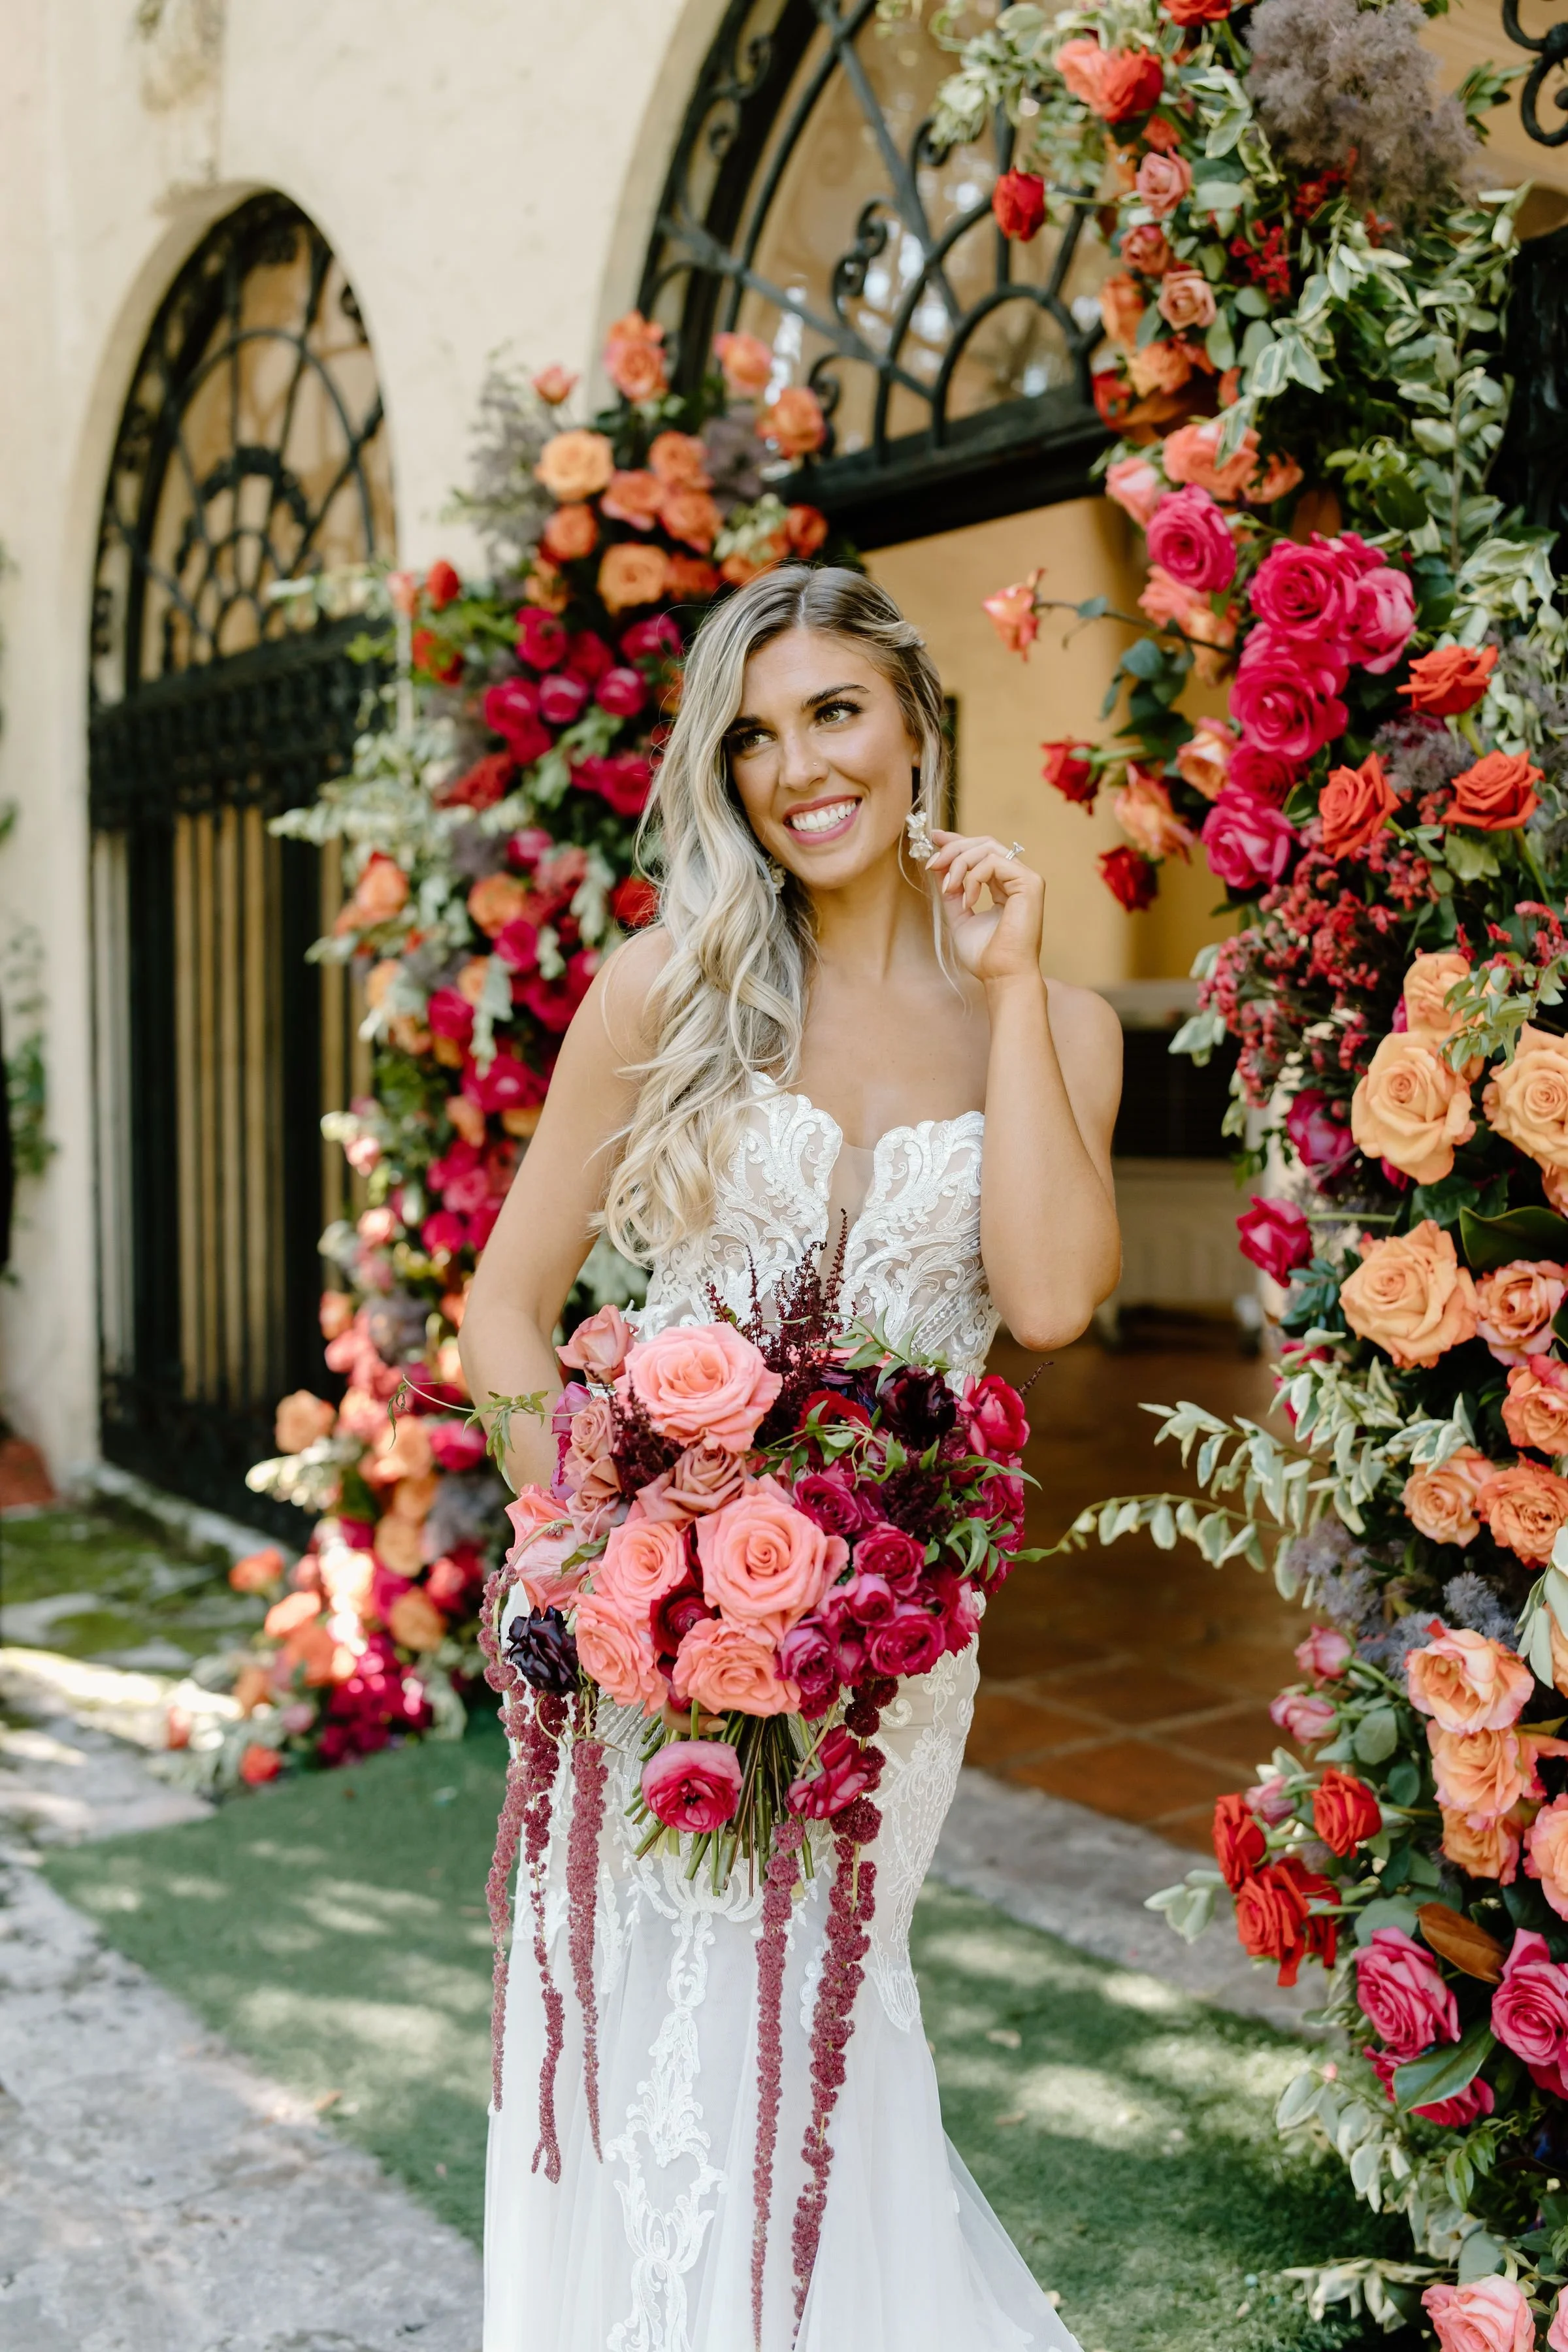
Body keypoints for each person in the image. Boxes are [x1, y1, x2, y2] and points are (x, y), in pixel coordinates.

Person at [462, 564, 1122, 2352]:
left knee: (820, 2039)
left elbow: (1052, 1301)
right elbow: (504, 1319)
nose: (797, 766)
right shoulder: (666, 992)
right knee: (657, 2047)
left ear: (917, 722)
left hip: (881, 1663)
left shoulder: (1052, 1022)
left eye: (835, 711)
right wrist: (603, 1551)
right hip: (647, 1652)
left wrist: (1007, 987)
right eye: (752, 735)